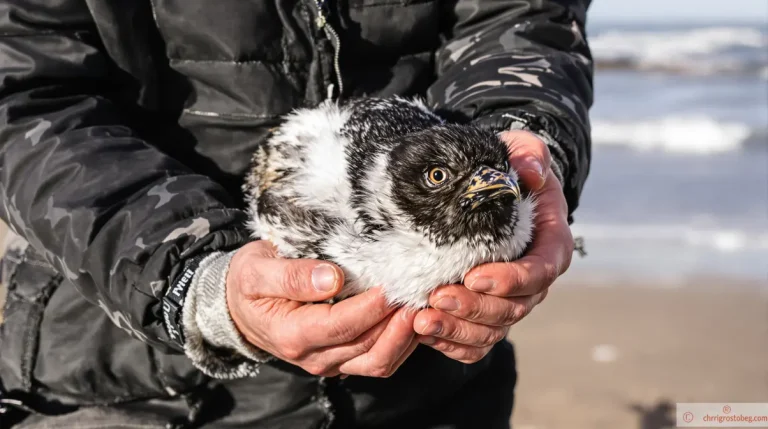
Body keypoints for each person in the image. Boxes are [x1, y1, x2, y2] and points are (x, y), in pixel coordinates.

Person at [0, 0, 592, 427]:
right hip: (127, 378)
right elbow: (22, 93)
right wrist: (192, 279)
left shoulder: (487, 193)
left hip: (438, 386)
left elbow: (522, 17)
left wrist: (528, 141)